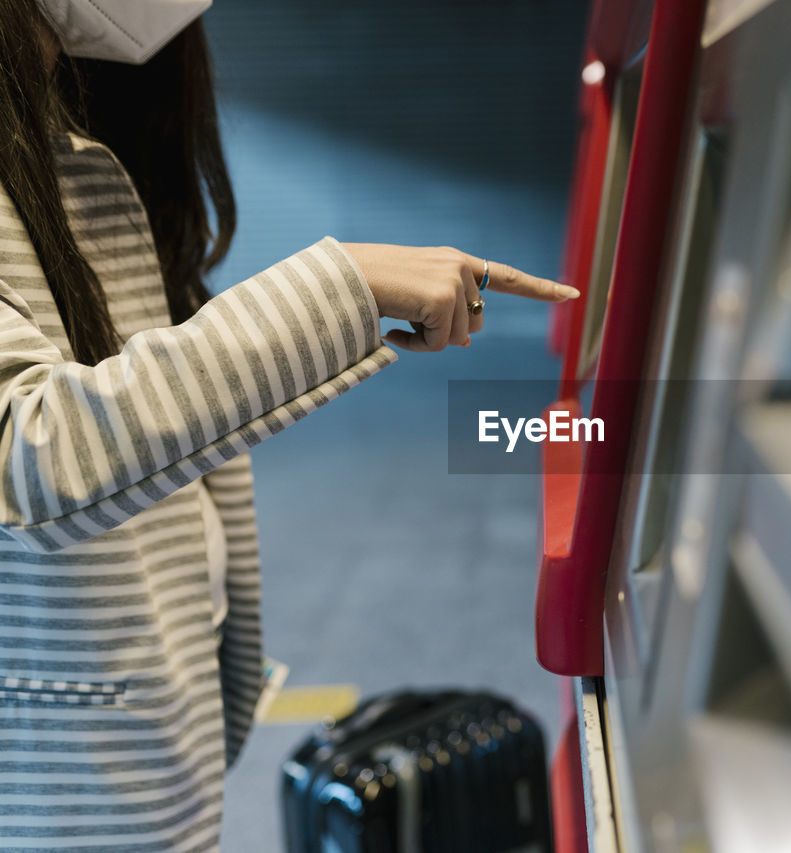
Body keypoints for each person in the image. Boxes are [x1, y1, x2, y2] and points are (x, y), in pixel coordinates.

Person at [0, 0, 578, 848]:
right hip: (59, 796)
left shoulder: (74, 144)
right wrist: (346, 284)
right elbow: (31, 452)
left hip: (144, 757)